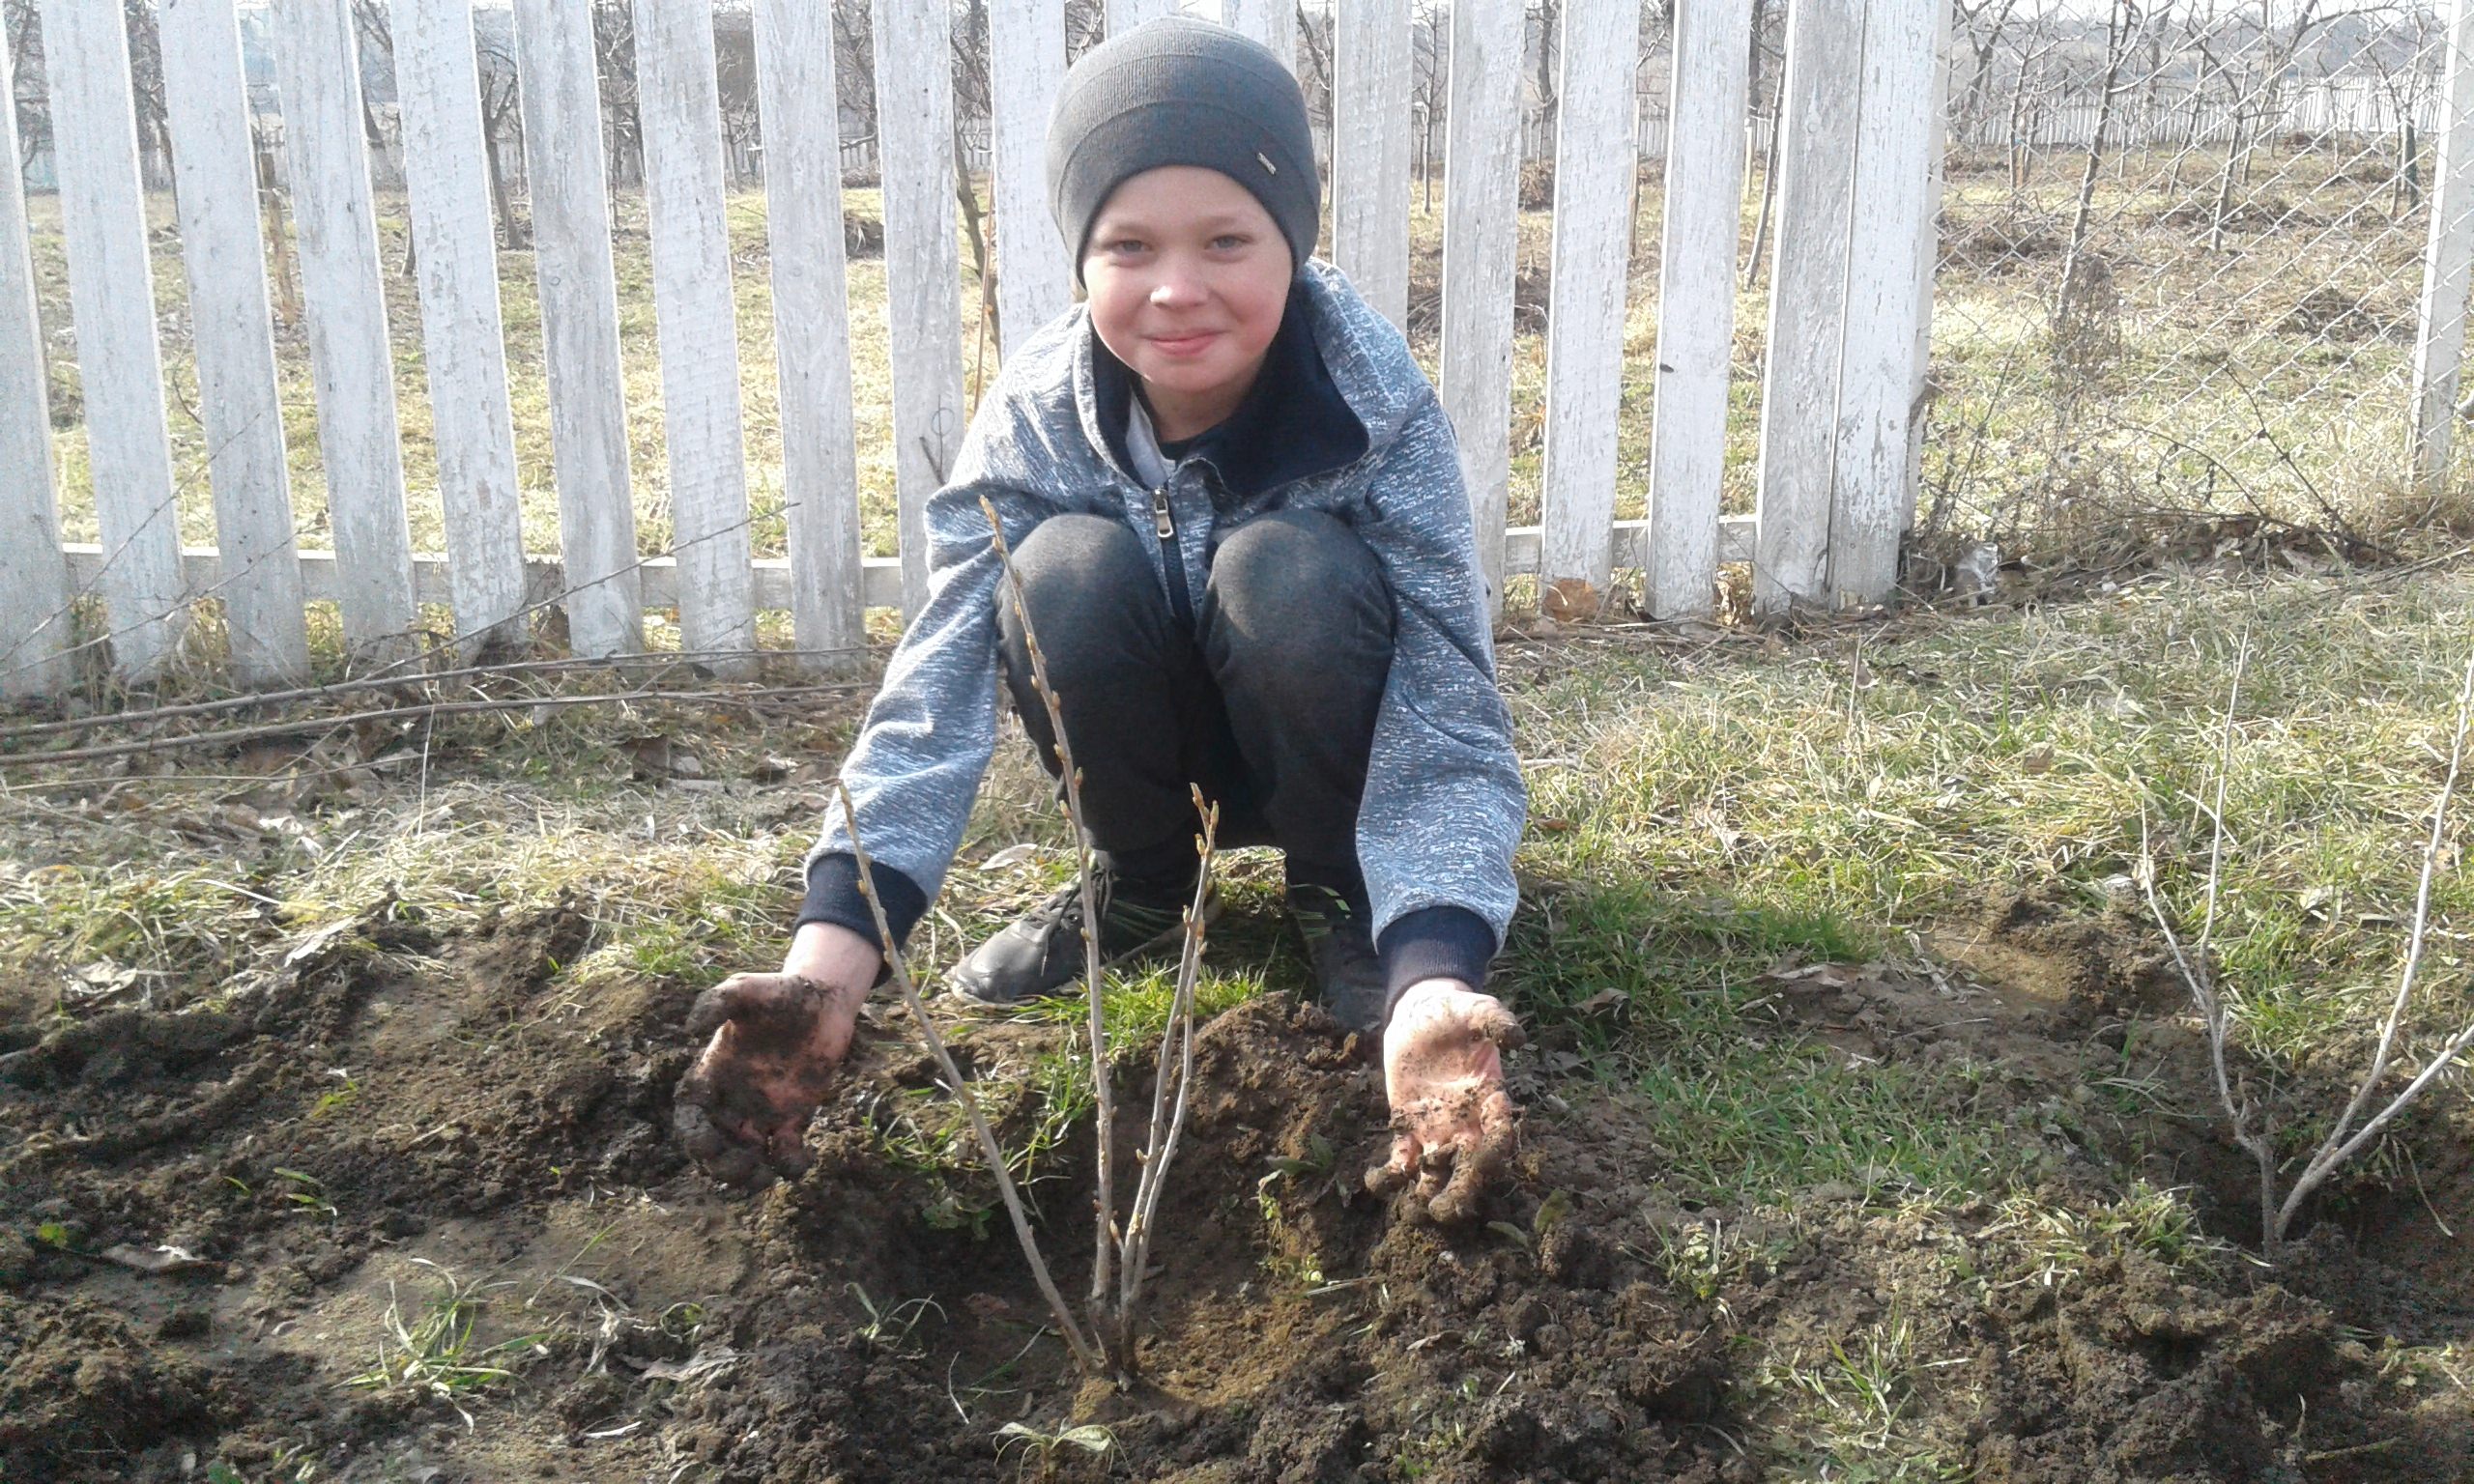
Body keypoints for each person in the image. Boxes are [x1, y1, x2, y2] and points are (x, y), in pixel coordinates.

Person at [674, 17, 1526, 1223]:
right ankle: (1139, 880)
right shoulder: (1034, 416)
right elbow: (940, 681)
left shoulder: (1371, 404)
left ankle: (1340, 895)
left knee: (1286, 568)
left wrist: (1436, 963)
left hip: (1323, 746)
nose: (1177, 288)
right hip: (1138, 742)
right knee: (1056, 567)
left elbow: (1446, 682)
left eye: (1227, 239)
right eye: (1129, 246)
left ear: (1292, 246)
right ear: (1081, 261)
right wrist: (830, 963)